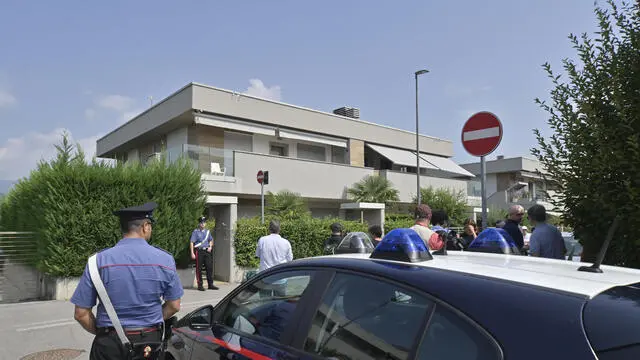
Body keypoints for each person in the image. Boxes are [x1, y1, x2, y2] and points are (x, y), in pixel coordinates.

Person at [70, 202, 183, 360]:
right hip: (149, 343)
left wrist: (107, 333)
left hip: (108, 344)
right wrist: (150, 320)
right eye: (150, 225)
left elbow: (81, 313)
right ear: (145, 226)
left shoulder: (97, 261)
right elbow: (174, 305)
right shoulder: (165, 260)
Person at [256, 220, 293, 298]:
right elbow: (290, 259)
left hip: (265, 278)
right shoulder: (286, 242)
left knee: (264, 305)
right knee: (280, 305)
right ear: (279, 229)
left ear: (269, 229)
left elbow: (258, 255)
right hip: (280, 278)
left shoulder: (262, 240)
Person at [190, 216, 218, 291]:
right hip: (199, 251)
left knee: (209, 267)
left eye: (204, 222)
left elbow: (211, 240)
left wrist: (210, 247)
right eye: (201, 222)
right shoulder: (195, 232)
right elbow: (192, 242)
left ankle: (210, 284)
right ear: (199, 223)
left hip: (207, 251)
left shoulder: (207, 232)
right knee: (199, 268)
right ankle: (200, 285)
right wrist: (192, 253)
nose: (203, 224)